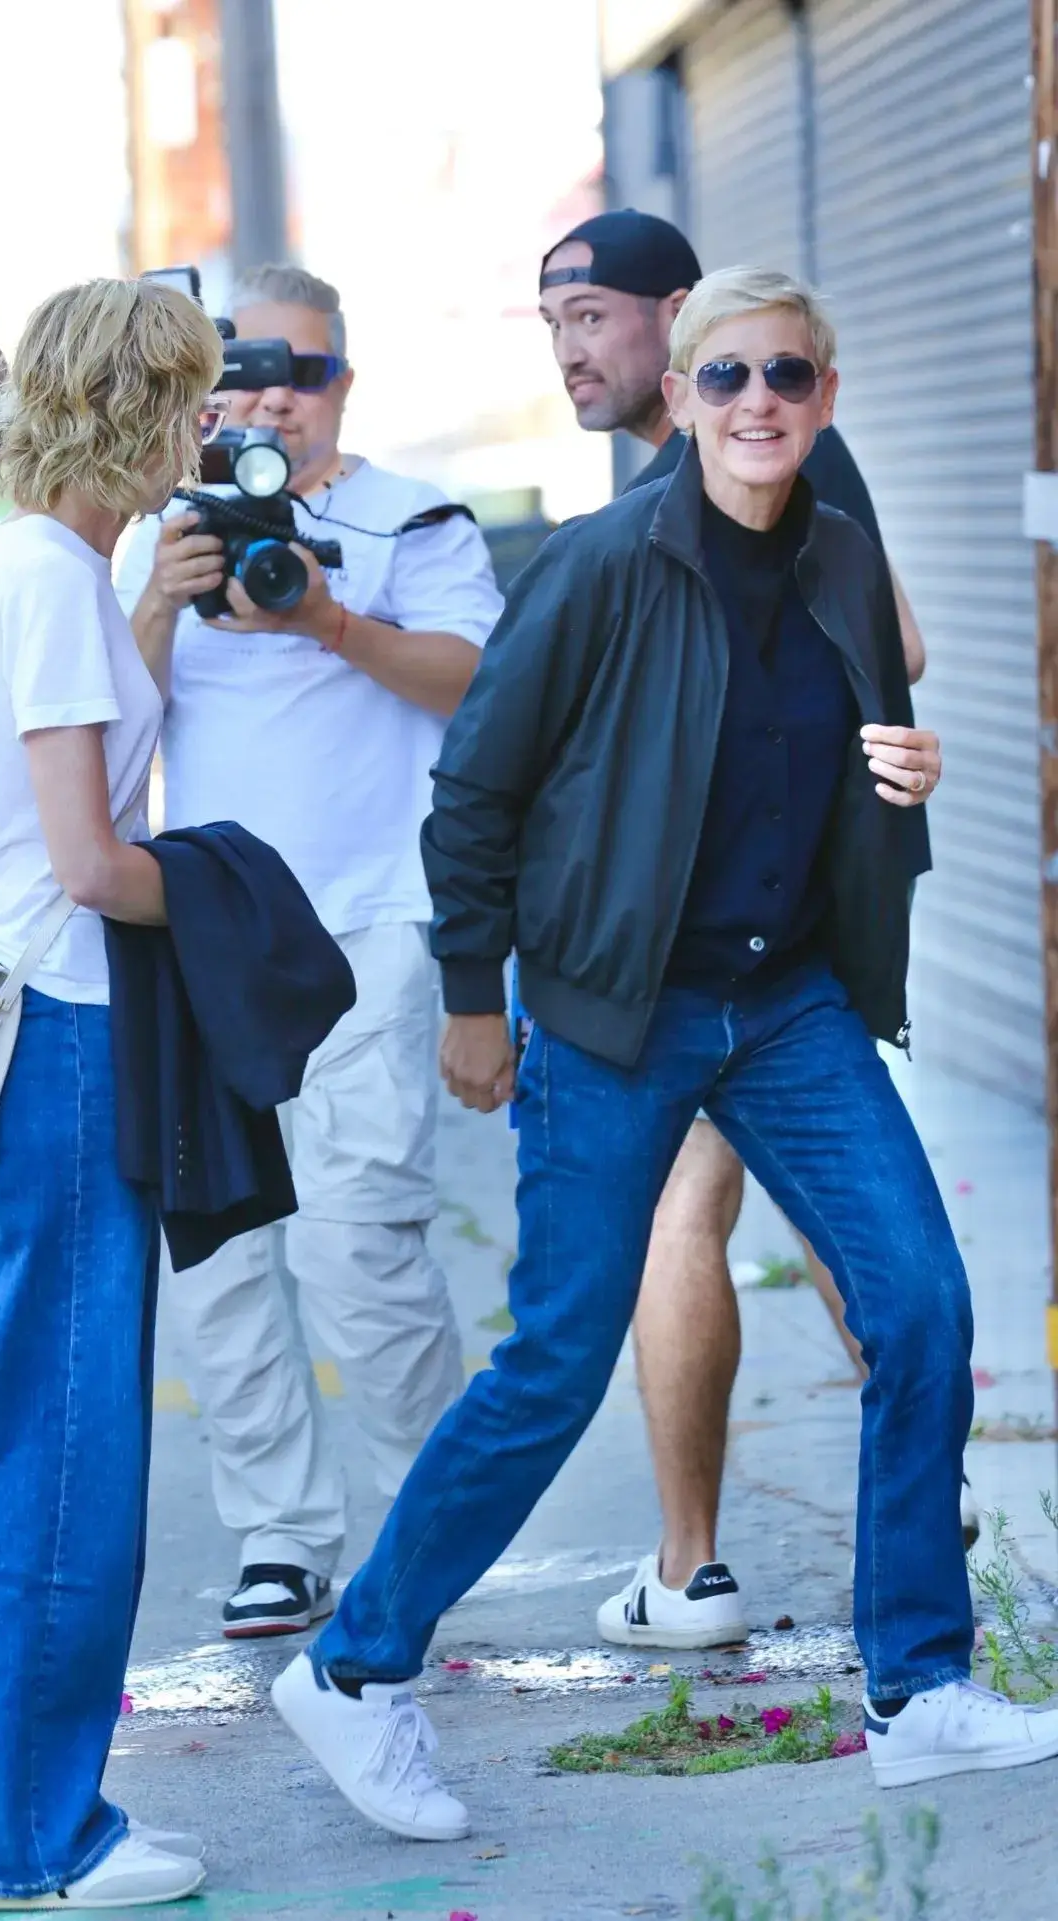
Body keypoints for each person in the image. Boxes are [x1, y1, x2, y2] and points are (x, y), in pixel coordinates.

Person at [272, 266, 1058, 1832]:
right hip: (612, 1011)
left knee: (920, 1304)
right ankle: (351, 1673)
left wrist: (902, 770)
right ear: (682, 399)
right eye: (725, 380)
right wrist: (477, 998)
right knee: (558, 1358)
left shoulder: (840, 561)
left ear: (824, 401)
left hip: (788, 1006)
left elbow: (838, 762)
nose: (757, 403)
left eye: (787, 377)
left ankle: (915, 1685)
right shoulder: (601, 565)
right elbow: (478, 788)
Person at [537, 209, 972, 1652]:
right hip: (723, 929)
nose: (569, 344)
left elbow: (894, 645)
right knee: (837, 1231)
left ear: (675, 320)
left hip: (768, 925)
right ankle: (920, 1476)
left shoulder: (767, 435)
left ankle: (690, 1568)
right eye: (553, 320)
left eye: (590, 313)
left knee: (700, 1213)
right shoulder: (667, 486)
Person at [117, 263, 503, 1638]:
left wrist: (331, 619)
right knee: (220, 1253)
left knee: (361, 1243)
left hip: (374, 918)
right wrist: (162, 593)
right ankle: (278, 1534)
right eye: (243, 371)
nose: (271, 392)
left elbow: (481, 684)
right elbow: (104, 725)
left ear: (344, 380)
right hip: (205, 928)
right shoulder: (157, 530)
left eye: (303, 369)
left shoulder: (415, 519)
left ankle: (419, 1533)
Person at [0, 278, 221, 1908]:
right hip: (66, 1033)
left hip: (51, 1022)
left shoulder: (30, 572)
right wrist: (247, 905)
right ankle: (33, 1839)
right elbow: (93, 860)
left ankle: (11, 1826)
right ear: (135, 406)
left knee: (39, 1430)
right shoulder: (43, 580)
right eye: (191, 402)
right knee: (65, 1442)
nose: (208, 433)